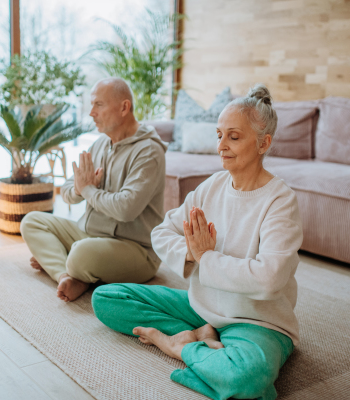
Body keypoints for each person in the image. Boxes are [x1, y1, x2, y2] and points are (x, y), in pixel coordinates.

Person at [92, 83, 303, 400]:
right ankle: (199, 336)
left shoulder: (280, 201)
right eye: (219, 135)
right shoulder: (211, 187)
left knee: (248, 379)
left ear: (264, 143)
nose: (222, 146)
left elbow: (270, 279)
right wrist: (191, 255)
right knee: (108, 298)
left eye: (233, 136)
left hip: (256, 320)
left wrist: (206, 257)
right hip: (203, 306)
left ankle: (179, 345)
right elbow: (162, 232)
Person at [20, 78, 167, 302]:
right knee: (31, 221)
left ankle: (68, 263)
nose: (91, 113)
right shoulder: (100, 144)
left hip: (135, 250)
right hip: (90, 235)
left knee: (80, 254)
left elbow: (126, 209)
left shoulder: (149, 152)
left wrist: (88, 190)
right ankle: (66, 276)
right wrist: (81, 190)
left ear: (124, 107)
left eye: (99, 104)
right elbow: (69, 190)